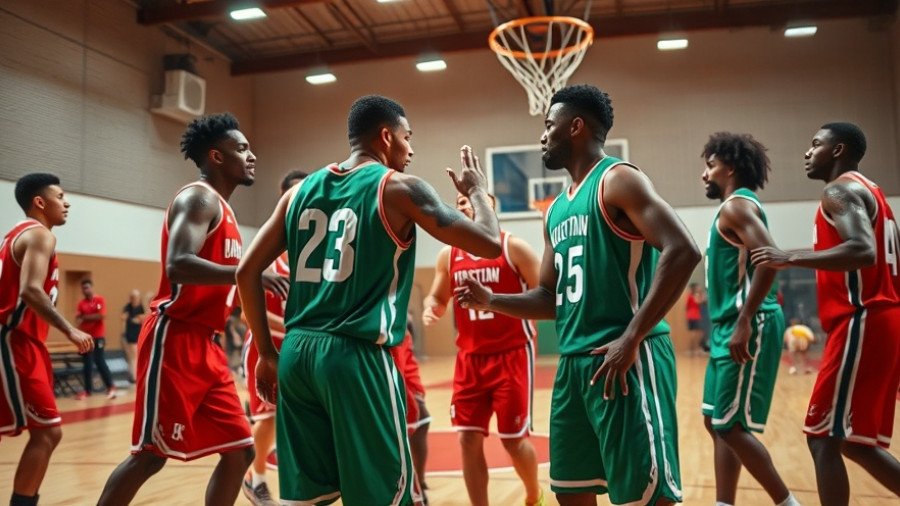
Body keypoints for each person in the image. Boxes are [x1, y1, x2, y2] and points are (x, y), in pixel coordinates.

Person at [236, 94, 502, 505]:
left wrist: (267, 355)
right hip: (354, 357)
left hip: (296, 355)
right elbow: (488, 242)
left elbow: (245, 272)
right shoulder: (399, 188)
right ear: (386, 136)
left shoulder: (297, 193)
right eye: (407, 137)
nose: (410, 149)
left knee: (308, 497)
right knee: (384, 495)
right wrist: (479, 193)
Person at [456, 84, 699, 506]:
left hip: (623, 358)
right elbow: (549, 297)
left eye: (549, 125)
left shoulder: (618, 180)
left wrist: (632, 337)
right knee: (571, 492)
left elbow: (684, 250)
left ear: (576, 126)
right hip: (573, 368)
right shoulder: (555, 209)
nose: (542, 136)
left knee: (645, 496)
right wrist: (492, 300)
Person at [97, 112, 289, 505]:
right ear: (217, 156)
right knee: (149, 457)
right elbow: (178, 264)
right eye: (242, 149)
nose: (251, 156)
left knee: (240, 451)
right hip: (174, 337)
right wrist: (248, 273)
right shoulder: (198, 198)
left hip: (208, 346)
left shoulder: (226, 211)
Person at [752, 122, 900, 505]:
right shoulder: (876, 195)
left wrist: (791, 256)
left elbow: (863, 250)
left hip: (862, 318)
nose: (807, 152)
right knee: (852, 442)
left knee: (821, 438)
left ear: (838, 150)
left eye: (816, 144)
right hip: (881, 319)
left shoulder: (839, 191)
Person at [422, 193, 544, 506]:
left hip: (512, 354)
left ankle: (534, 495)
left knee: (513, 441)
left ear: (491, 205)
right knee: (467, 438)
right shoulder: (448, 255)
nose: (463, 204)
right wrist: (432, 307)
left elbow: (546, 295)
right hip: (470, 358)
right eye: (458, 201)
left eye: (470, 199)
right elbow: (438, 296)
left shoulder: (513, 248)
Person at [698, 132, 800, 506]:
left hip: (748, 322)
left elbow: (770, 258)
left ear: (730, 168)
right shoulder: (732, 209)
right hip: (728, 324)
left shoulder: (737, 207)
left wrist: (745, 320)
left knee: (731, 426)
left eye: (710, 166)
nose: (704, 174)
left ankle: (789, 503)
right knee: (714, 421)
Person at [0, 173, 94, 506]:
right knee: (48, 431)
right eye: (60, 196)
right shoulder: (40, 234)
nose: (67, 203)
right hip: (13, 342)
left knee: (46, 432)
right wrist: (70, 329)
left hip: (23, 342)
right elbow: (30, 289)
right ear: (39, 202)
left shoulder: (17, 234)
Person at [241, 169, 307, 506]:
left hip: (298, 347)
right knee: (267, 419)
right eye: (295, 192)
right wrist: (290, 324)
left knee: (302, 417)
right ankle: (256, 479)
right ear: (283, 198)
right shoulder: (268, 252)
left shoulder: (313, 252)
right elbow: (245, 314)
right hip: (264, 344)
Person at [390, 317, 432, 505]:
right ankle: (413, 490)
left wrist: (415, 391)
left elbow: (407, 363)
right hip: (393, 389)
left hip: (406, 387)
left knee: (422, 422)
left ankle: (418, 482)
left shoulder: (402, 330)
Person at [75, 279, 116, 399]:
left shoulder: (99, 300)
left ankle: (110, 386)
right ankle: (87, 390)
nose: (86, 290)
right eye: (84, 288)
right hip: (86, 338)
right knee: (87, 364)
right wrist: (86, 317)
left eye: (87, 287)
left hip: (98, 337)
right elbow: (78, 319)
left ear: (92, 288)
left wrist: (85, 317)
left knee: (100, 361)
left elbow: (101, 315)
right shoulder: (81, 303)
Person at [121, 289, 145, 382]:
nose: (134, 299)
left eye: (136, 297)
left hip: (140, 334)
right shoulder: (128, 307)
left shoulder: (141, 307)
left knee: (138, 356)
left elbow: (144, 318)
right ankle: (134, 376)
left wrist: (139, 319)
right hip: (131, 334)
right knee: (133, 356)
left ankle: (137, 375)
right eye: (132, 297)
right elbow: (123, 317)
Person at [685, 283, 705, 355]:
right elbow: (699, 302)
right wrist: (700, 294)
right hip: (693, 317)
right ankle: (695, 349)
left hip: (693, 316)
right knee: (695, 334)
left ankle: (696, 349)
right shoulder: (691, 296)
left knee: (698, 333)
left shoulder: (690, 296)